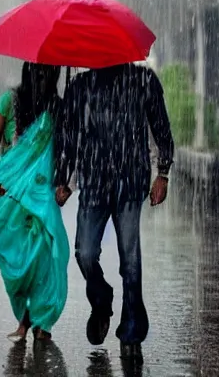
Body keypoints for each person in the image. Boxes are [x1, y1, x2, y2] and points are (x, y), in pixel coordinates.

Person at [54, 63, 174, 360]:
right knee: (84, 252)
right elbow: (68, 135)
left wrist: (163, 173)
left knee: (130, 259)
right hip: (94, 183)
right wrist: (64, 179)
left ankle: (132, 328)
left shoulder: (143, 80)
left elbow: (160, 126)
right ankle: (101, 299)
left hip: (130, 182)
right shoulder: (80, 86)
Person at [0, 63, 70, 341]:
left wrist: (67, 182)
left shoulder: (59, 108)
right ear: (28, 72)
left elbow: (68, 149)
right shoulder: (8, 102)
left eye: (50, 72)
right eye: (39, 71)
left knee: (42, 259)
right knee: (16, 263)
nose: (43, 76)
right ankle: (24, 317)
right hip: (7, 198)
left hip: (41, 196)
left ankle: (40, 321)